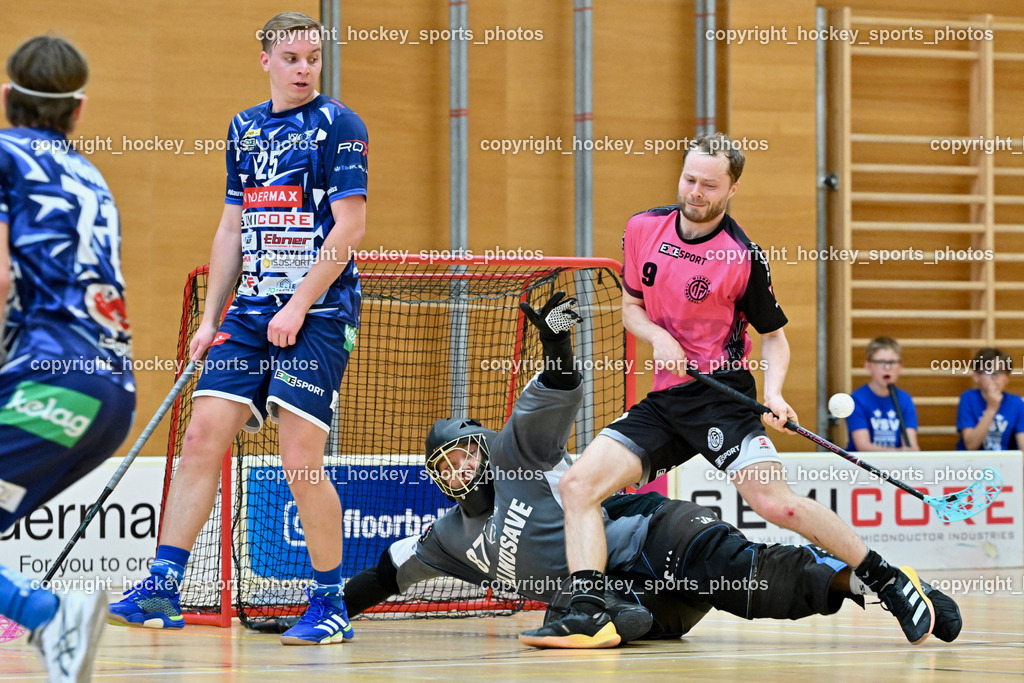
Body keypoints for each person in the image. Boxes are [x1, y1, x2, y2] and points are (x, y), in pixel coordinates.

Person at [340, 291, 962, 648]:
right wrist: (324, 610)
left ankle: (873, 581)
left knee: (750, 584)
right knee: (672, 608)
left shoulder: (514, 455)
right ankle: (608, 609)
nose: (463, 467)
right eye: (447, 465)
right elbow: (382, 577)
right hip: (653, 614)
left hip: (652, 535)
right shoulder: (447, 539)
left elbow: (555, 390)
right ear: (439, 479)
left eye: (467, 450)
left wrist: (557, 345)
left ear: (484, 445)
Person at [525, 132, 936, 648]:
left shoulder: (742, 258)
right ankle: (587, 612)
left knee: (778, 505)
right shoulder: (642, 229)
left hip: (723, 399)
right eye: (689, 178)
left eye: (709, 185)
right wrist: (658, 336)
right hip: (667, 402)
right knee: (578, 485)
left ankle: (886, 578)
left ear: (732, 189)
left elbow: (775, 339)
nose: (695, 192)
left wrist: (778, 393)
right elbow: (632, 306)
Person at [109, 12, 368, 646]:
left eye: (313, 58)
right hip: (249, 313)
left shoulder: (341, 126)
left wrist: (299, 305)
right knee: (201, 437)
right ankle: (164, 588)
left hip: (320, 313)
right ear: (266, 60)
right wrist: (210, 317)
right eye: (292, 58)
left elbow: (349, 230)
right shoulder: (245, 128)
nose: (304, 69)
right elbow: (232, 227)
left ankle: (330, 602)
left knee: (299, 457)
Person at [0, 35, 136, 681]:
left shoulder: (3, 155)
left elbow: (1, 277)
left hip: (51, 381)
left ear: (6, 98)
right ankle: (50, 618)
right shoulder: (91, 175)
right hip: (110, 396)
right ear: (78, 111)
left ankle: (48, 611)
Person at [846, 337, 919, 451]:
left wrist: (909, 452)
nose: (887, 367)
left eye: (892, 362)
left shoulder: (905, 399)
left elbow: (911, 445)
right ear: (868, 366)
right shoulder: (857, 400)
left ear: (900, 367)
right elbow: (864, 447)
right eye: (881, 362)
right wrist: (899, 454)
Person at [956, 348, 1024, 451]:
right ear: (976, 376)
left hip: (1002, 463)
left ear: (1008, 378)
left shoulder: (1016, 403)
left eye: (1000, 372)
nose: (994, 378)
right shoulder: (968, 398)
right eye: (989, 371)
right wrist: (991, 409)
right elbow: (971, 445)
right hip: (971, 464)